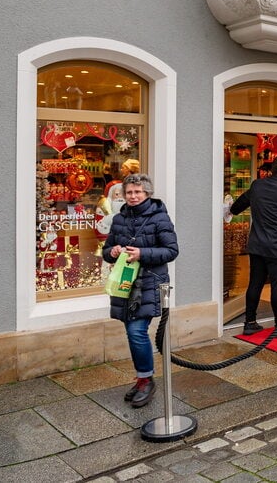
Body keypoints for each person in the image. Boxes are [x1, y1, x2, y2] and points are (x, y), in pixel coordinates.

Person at [102, 174, 178, 408]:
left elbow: (171, 250)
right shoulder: (118, 219)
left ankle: (146, 380)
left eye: (138, 192)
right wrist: (112, 252)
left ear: (147, 193)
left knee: (136, 331)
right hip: (125, 283)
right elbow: (105, 251)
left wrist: (142, 254)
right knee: (131, 330)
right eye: (129, 192)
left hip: (148, 282)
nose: (133, 196)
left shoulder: (160, 217)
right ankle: (143, 377)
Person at [229, 155, 277, 336]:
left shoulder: (257, 185)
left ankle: (250, 322)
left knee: (255, 283)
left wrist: (231, 211)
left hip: (257, 245)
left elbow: (240, 203)